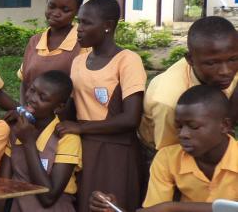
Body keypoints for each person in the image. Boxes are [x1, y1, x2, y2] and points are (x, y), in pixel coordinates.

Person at [56, 0, 146, 212]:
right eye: (79, 21)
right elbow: (75, 106)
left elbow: (131, 118)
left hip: (115, 150)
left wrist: (81, 127)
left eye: (86, 23)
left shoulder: (127, 60)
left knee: (109, 204)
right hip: (83, 147)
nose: (79, 28)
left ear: (107, 26)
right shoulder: (79, 61)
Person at [90, 85, 238, 212]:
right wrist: (115, 209)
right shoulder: (168, 158)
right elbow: (156, 209)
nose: (183, 134)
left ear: (224, 126)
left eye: (193, 127)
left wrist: (172, 208)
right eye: (179, 127)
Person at [139, 16, 238, 151]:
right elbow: (168, 156)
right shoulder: (169, 102)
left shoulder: (227, 59)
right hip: (170, 148)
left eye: (233, 59)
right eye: (211, 63)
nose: (226, 71)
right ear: (190, 59)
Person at [0, 70, 81, 212]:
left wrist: (29, 142)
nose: (32, 98)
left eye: (42, 97)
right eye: (32, 90)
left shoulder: (67, 139)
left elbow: (48, 198)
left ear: (59, 107)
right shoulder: (17, 127)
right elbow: (4, 184)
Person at [18, 0, 87, 104]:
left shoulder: (83, 43)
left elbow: (83, 90)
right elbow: (25, 82)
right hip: (31, 117)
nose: (56, 13)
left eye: (65, 10)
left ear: (78, 11)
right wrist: (23, 111)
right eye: (52, 6)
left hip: (66, 120)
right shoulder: (35, 41)